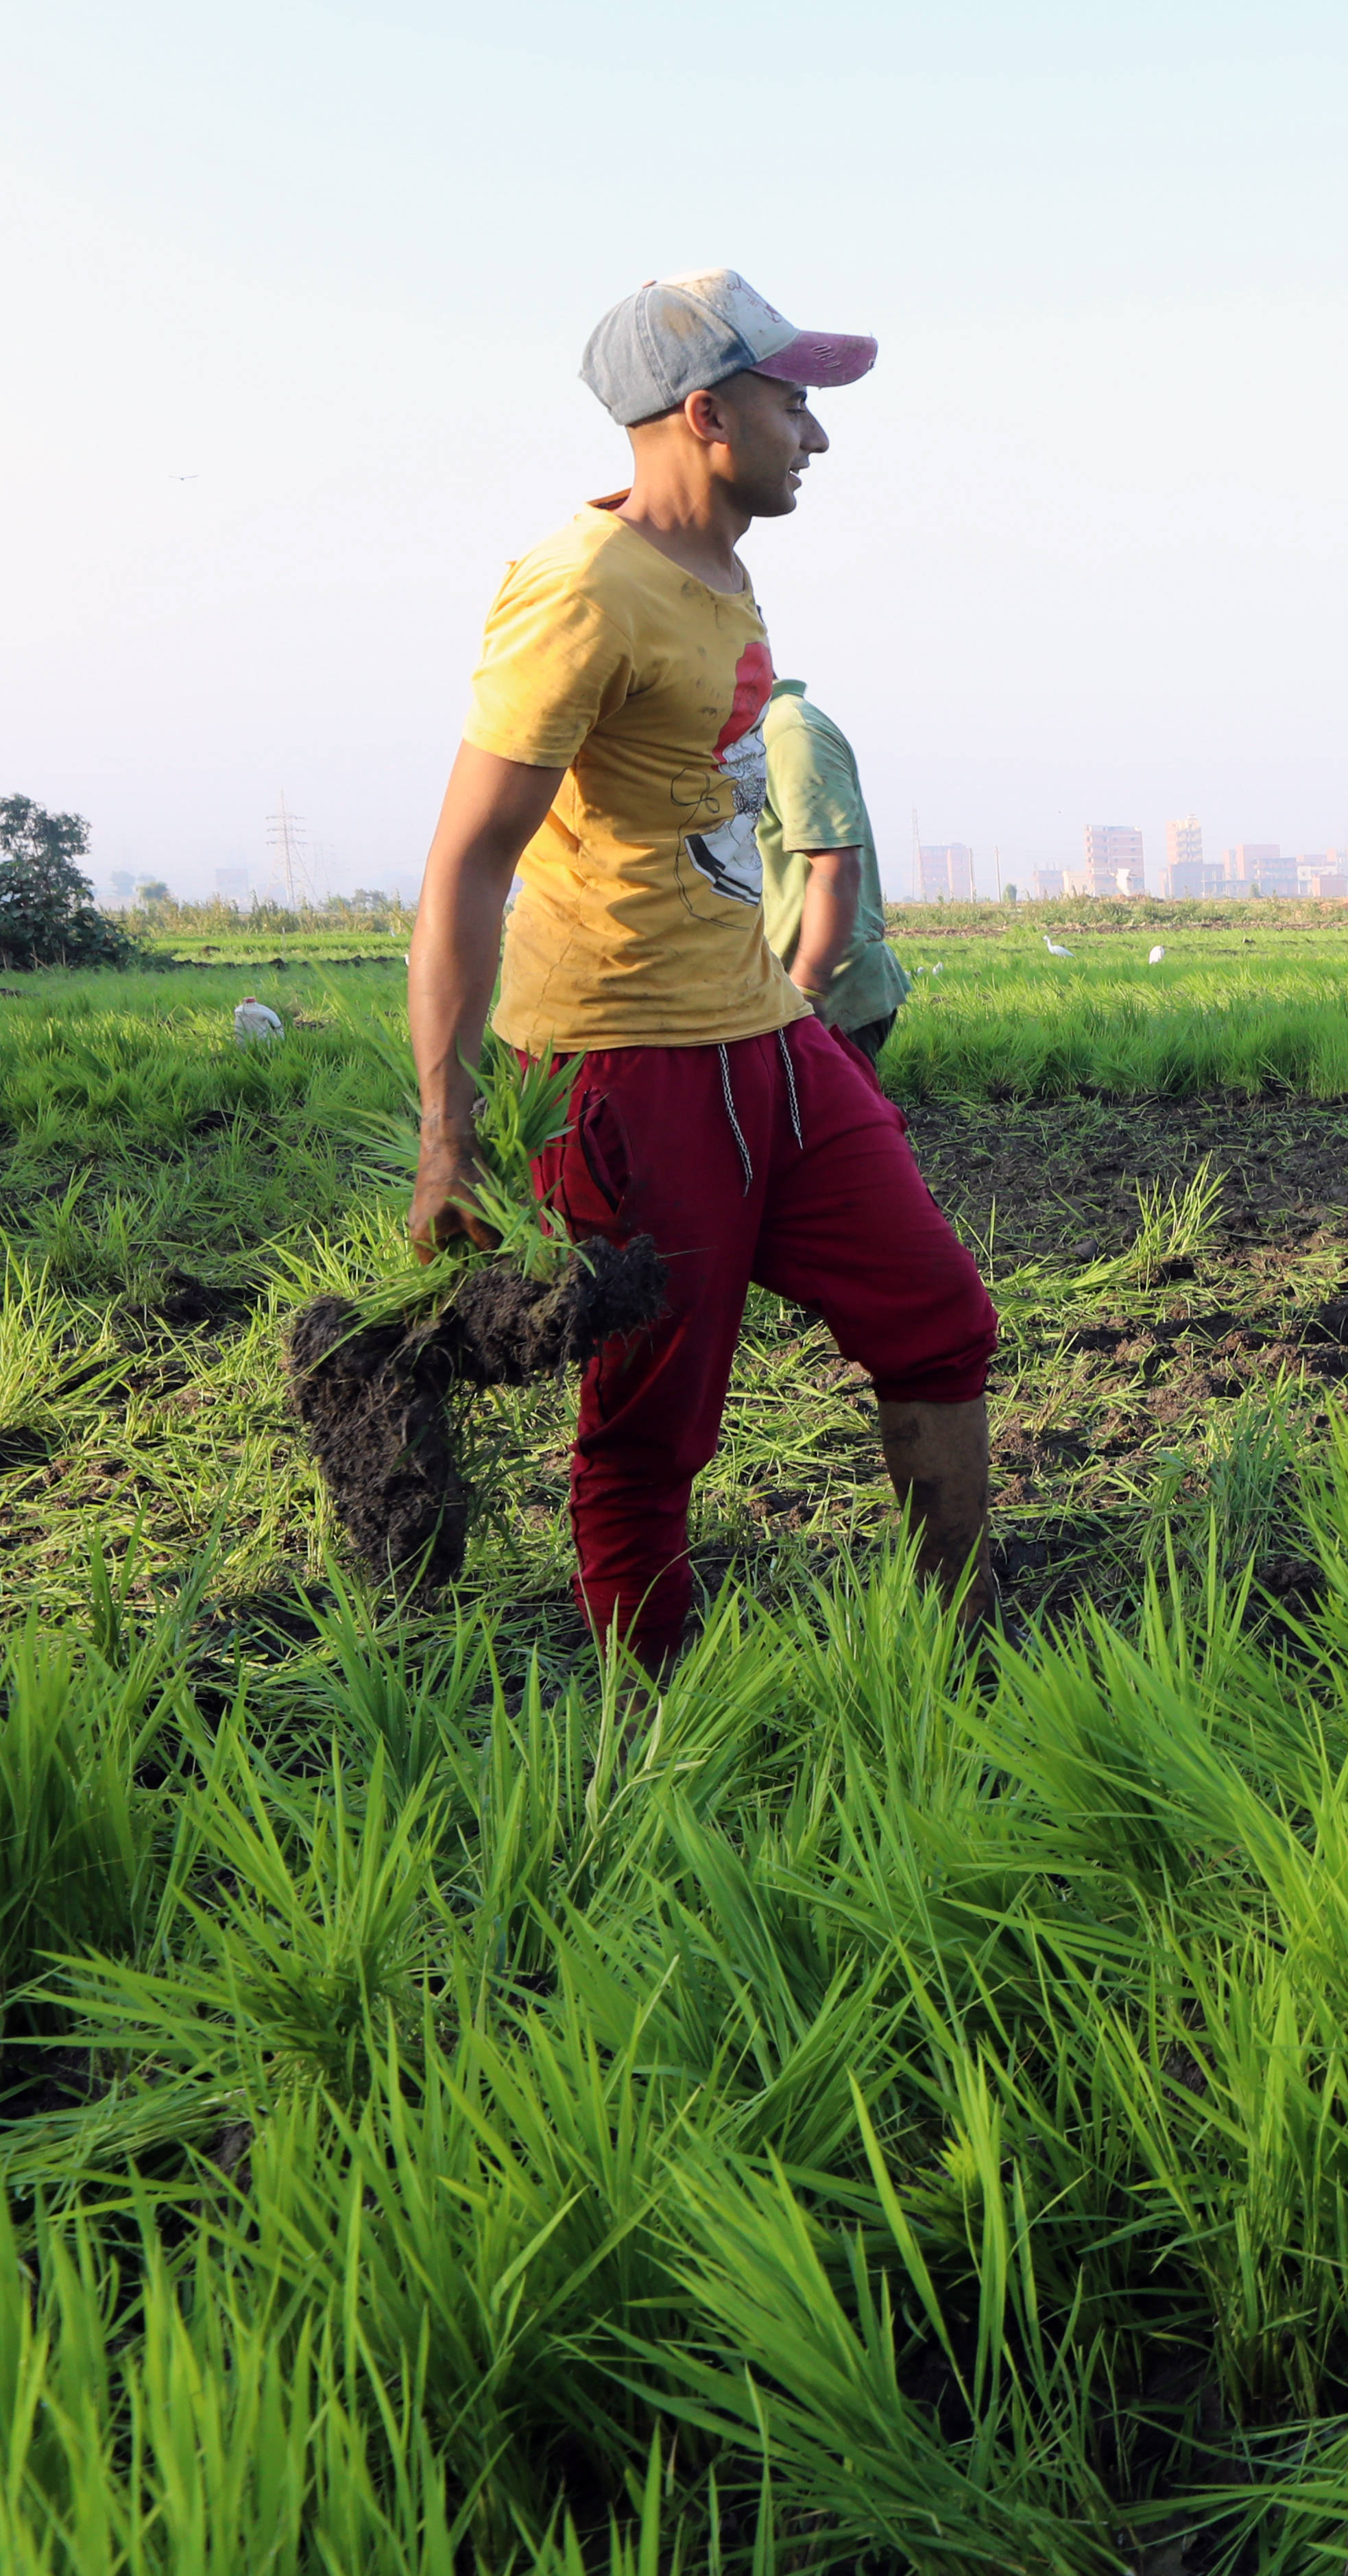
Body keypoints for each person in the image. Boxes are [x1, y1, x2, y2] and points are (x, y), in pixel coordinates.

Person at [401, 269, 998, 1660]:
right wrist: (450, 1130)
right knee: (655, 1416)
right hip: (626, 1062)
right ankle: (652, 1711)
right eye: (796, 402)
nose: (819, 434)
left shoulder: (723, 568)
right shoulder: (577, 593)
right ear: (705, 412)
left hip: (768, 1035)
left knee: (936, 1313)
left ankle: (967, 1639)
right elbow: (465, 864)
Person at [757, 678, 912, 1065]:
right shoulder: (743, 736)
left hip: (820, 1001)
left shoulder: (789, 732)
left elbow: (837, 866)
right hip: (774, 999)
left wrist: (807, 991)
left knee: (822, 1126)